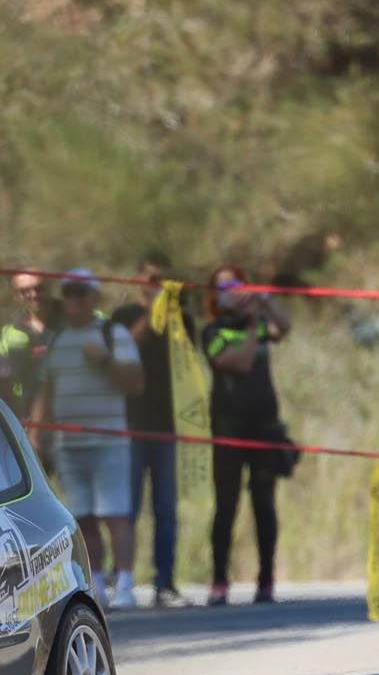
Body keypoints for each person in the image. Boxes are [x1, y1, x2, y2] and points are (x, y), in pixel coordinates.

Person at [29, 268, 142, 611]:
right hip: (68, 445)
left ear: (95, 298)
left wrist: (105, 360)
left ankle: (125, 581)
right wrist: (35, 434)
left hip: (109, 442)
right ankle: (98, 584)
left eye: (81, 293)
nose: (74, 300)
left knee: (115, 515)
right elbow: (47, 391)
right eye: (69, 293)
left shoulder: (113, 334)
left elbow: (136, 383)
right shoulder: (59, 339)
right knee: (84, 518)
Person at [202, 265, 290, 605]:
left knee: (264, 504)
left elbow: (286, 327)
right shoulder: (213, 331)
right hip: (228, 429)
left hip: (264, 426)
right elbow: (238, 363)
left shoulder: (260, 323)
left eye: (236, 284)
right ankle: (219, 580)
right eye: (223, 287)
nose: (231, 291)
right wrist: (254, 325)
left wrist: (265, 304)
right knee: (226, 505)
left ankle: (266, 579)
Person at [118, 255, 190, 607]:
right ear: (138, 282)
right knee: (127, 509)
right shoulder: (125, 318)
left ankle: (165, 582)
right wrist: (152, 311)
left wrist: (171, 314)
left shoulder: (181, 320)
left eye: (162, 281)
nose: (156, 287)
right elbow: (130, 345)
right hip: (130, 428)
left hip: (167, 427)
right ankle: (123, 584)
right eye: (150, 280)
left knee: (166, 509)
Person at [0, 270, 53, 411]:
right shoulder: (8, 334)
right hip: (28, 415)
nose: (33, 295)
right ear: (16, 296)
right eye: (24, 291)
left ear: (49, 289)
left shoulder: (71, 324)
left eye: (39, 288)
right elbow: (2, 379)